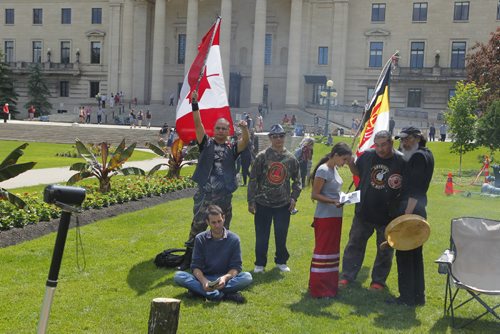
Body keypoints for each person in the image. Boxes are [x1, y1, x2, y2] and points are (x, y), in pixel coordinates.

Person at [178, 91, 249, 270]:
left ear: (228, 131)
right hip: (206, 195)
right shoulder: (206, 143)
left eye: (224, 128)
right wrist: (195, 105)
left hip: (224, 196)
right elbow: (197, 124)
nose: (221, 131)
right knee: (197, 226)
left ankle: (223, 261)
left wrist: (245, 129)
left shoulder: (232, 148)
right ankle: (188, 259)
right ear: (213, 130)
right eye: (218, 128)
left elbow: (245, 143)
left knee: (223, 229)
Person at [339, 130, 405, 290]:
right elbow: (358, 173)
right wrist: (350, 164)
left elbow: (405, 187)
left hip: (388, 216)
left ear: (391, 143)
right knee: (354, 244)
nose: (380, 149)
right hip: (364, 212)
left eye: (384, 145)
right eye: (377, 145)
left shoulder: (401, 161)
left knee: (385, 250)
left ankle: (378, 281)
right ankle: (347, 275)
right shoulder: (368, 155)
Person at [248, 124, 302, 273]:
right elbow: (253, 179)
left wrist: (294, 198)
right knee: (261, 236)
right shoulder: (262, 156)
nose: (278, 139)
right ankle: (260, 264)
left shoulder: (290, 158)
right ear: (270, 138)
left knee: (281, 234)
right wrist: (250, 201)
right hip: (262, 202)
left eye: (281, 136)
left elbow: (298, 181)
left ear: (285, 137)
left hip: (283, 204)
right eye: (275, 136)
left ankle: (281, 261)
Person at [389, 127, 434, 306]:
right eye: (402, 140)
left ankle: (406, 297)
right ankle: (417, 296)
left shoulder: (418, 157)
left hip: (412, 210)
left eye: (406, 140)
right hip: (418, 209)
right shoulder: (426, 154)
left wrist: (406, 216)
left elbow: (415, 189)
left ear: (417, 138)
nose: (403, 143)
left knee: (405, 255)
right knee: (415, 255)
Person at [174, 205, 253, 303]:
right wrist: (204, 282)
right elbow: (195, 266)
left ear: (223, 218)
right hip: (205, 277)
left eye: (219, 221)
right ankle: (223, 294)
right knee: (178, 276)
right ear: (207, 222)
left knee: (247, 277)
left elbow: (236, 267)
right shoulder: (200, 238)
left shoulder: (234, 239)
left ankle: (202, 292)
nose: (217, 225)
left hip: (225, 279)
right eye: (213, 222)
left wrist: (224, 278)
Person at [309, 143, 353, 298]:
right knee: (323, 252)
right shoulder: (323, 170)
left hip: (335, 216)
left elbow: (334, 191)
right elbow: (315, 195)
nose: (345, 163)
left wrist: (343, 198)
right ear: (335, 155)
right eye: (344, 159)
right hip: (325, 216)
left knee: (332, 252)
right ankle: (318, 289)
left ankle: (329, 287)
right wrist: (333, 201)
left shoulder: (334, 169)